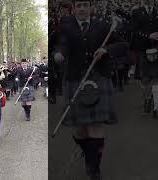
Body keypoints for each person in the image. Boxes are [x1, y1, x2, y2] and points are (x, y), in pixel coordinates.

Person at [53, 0, 128, 179]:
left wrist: (106, 49)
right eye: (78, 5)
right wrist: (59, 54)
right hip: (76, 80)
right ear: (73, 8)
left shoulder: (103, 26)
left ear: (90, 8)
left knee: (96, 126)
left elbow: (123, 45)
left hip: (99, 78)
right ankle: (89, 153)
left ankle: (93, 169)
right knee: (80, 130)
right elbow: (62, 44)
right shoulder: (66, 26)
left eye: (85, 5)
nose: (82, 8)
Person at [130, 0, 158, 113]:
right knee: (145, 77)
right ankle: (148, 97)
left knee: (156, 75)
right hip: (142, 49)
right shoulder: (137, 12)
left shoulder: (156, 11)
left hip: (156, 47)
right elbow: (133, 30)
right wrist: (147, 35)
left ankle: (156, 102)